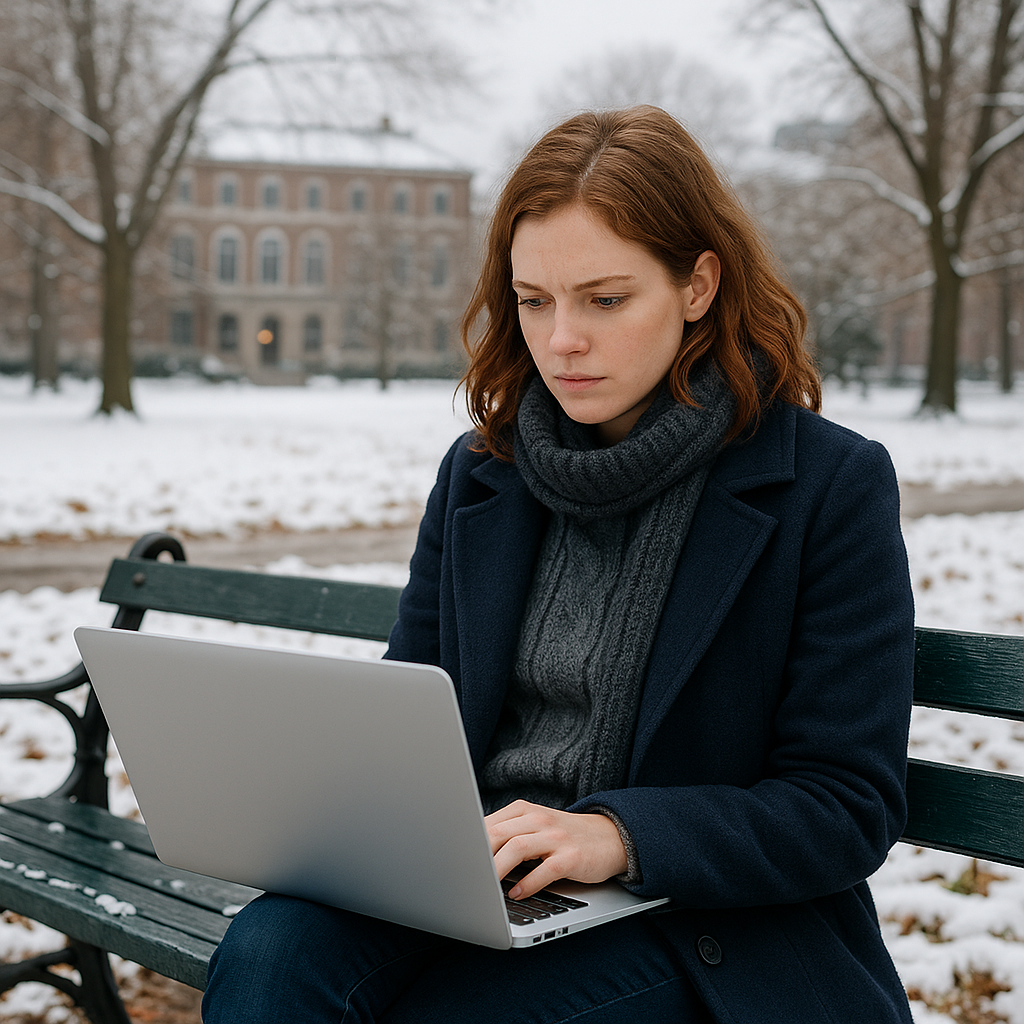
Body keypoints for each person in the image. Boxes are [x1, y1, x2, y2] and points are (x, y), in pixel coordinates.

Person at [201, 106, 915, 1023]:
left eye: (604, 300)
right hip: (480, 875)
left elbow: (845, 803)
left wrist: (617, 835)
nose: (561, 339)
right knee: (268, 958)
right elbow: (415, 713)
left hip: (696, 922)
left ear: (698, 286)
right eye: (533, 300)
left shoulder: (826, 485)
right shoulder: (482, 474)